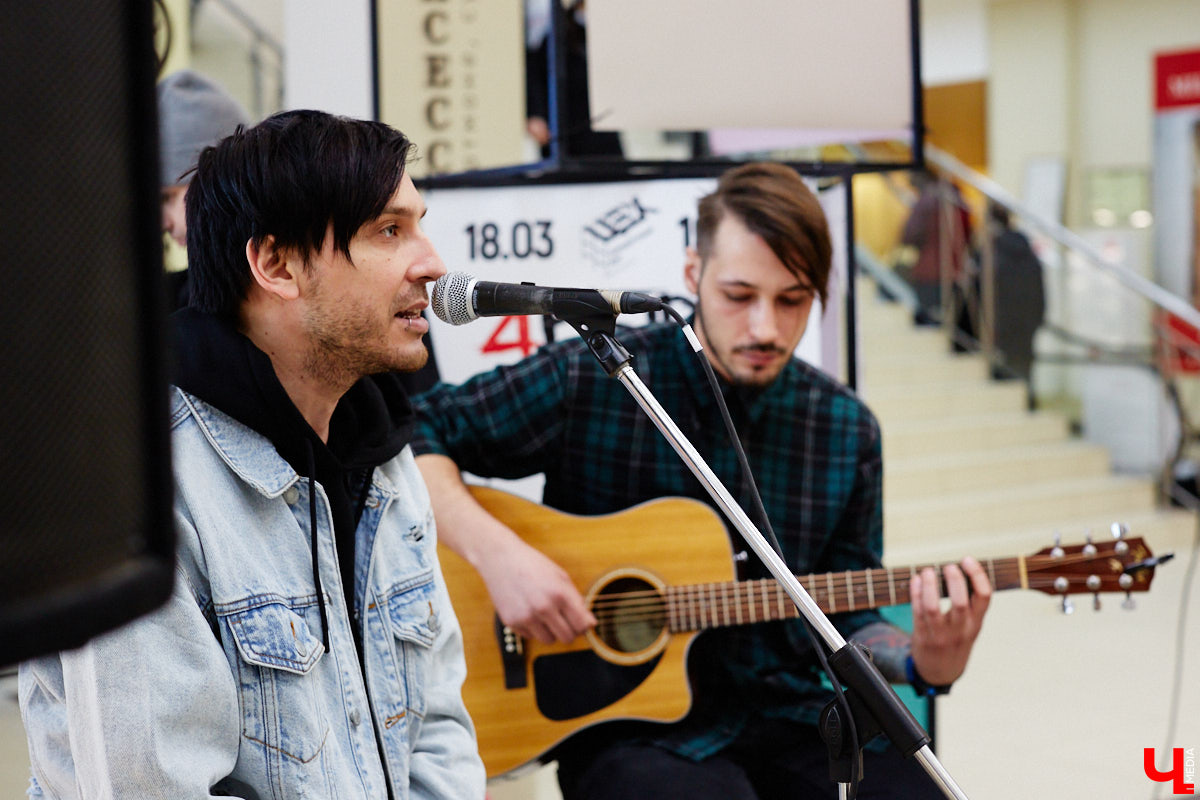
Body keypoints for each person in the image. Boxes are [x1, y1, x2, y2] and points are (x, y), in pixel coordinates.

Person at [412, 162, 992, 799]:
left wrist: (923, 660)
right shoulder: (600, 376)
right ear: (693, 275)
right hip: (635, 730)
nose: (765, 329)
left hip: (796, 716)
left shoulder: (846, 429)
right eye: (739, 296)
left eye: (793, 300)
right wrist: (500, 557)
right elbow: (415, 431)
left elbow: (849, 613)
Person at [19, 110, 486, 799]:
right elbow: (153, 789)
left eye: (418, 223)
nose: (432, 262)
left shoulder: (377, 446)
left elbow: (438, 725)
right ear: (275, 264)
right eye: (390, 230)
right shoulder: (141, 486)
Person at [900, 169, 973, 326]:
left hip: (929, 271)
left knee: (930, 326)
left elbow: (909, 235)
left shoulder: (927, 200)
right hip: (953, 268)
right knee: (945, 320)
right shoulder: (956, 199)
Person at [989, 204, 1046, 383]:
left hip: (1004, 320)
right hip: (1028, 319)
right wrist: (1039, 315)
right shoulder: (1026, 249)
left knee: (1007, 366)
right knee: (1024, 363)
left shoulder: (995, 252)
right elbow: (1039, 286)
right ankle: (1026, 400)